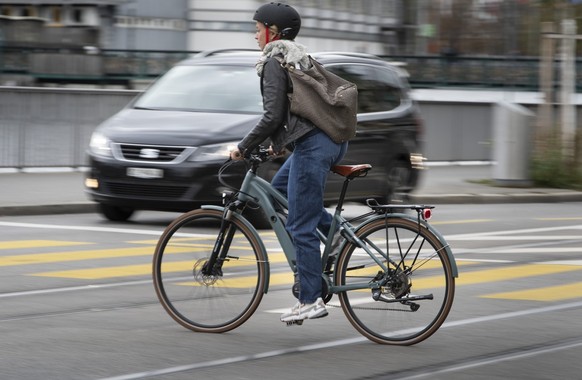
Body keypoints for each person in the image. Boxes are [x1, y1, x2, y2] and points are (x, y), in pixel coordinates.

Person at [229, 2, 348, 323]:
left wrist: (243, 147)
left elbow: (271, 115)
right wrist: (272, 149)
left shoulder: (273, 61)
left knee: (299, 223)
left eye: (257, 28)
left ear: (273, 31)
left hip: (314, 146)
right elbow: (292, 113)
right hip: (329, 141)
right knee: (279, 190)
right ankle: (336, 232)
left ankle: (310, 300)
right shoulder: (298, 57)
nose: (254, 35)